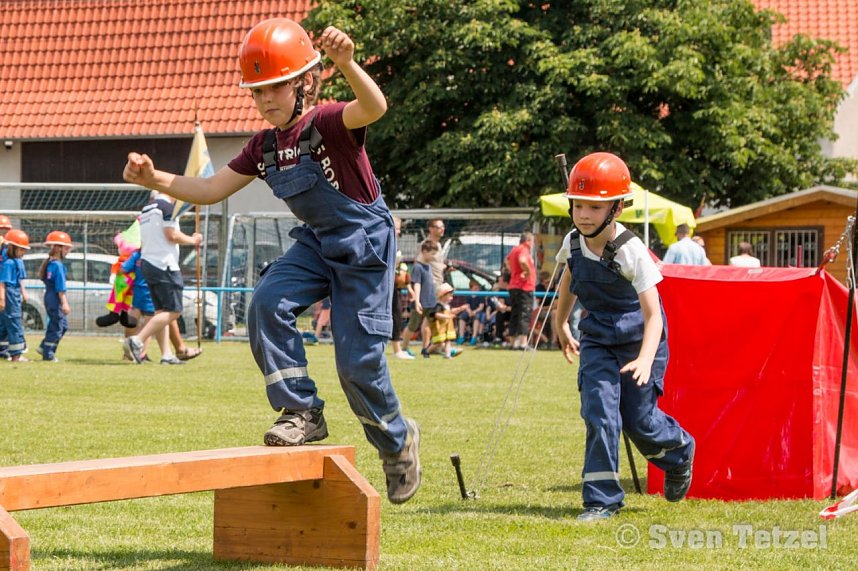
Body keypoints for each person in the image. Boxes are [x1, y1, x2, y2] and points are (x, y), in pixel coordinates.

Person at [122, 18, 420, 504]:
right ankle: (301, 412)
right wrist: (156, 178)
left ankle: (397, 442)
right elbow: (211, 189)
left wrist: (346, 62)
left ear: (306, 81)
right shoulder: (263, 146)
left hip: (364, 246)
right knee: (266, 301)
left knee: (356, 366)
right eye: (256, 92)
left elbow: (375, 106)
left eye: (276, 88)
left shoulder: (328, 123)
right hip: (318, 244)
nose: (265, 101)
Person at [553, 152, 695, 522]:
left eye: (594, 208)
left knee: (639, 422)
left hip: (639, 343)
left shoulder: (633, 251)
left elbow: (654, 317)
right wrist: (561, 322)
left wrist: (646, 358)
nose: (583, 214)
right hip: (598, 341)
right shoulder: (572, 241)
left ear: (615, 209)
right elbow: (569, 279)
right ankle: (602, 501)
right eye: (578, 206)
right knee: (599, 412)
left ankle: (680, 453)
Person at [122, 191, 202, 365]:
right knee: (174, 310)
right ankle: (137, 340)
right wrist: (193, 240)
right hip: (164, 264)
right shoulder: (167, 208)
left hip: (148, 263)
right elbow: (171, 235)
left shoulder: (146, 210)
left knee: (160, 312)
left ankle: (166, 354)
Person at [37, 231, 72, 362]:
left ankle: (43, 346)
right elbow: (60, 287)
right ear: (58, 248)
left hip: (49, 297)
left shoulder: (51, 264)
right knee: (57, 326)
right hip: (55, 298)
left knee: (62, 325)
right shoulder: (57, 265)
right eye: (66, 247)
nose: (68, 250)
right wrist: (64, 303)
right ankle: (48, 354)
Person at [403, 239, 438, 358]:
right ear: (424, 251)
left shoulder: (428, 266)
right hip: (421, 303)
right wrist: (417, 301)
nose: (434, 256)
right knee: (412, 326)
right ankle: (404, 348)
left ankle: (426, 348)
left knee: (429, 326)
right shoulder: (417, 267)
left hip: (430, 302)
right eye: (432, 253)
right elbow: (417, 284)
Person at [0, 229, 31, 362]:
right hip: (9, 295)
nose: (23, 252)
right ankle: (16, 355)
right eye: (21, 249)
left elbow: (19, 280)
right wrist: (2, 299)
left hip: (14, 293)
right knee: (14, 323)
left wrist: (23, 292)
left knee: (5, 325)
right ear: (12, 247)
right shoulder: (8, 264)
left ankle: (5, 351)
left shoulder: (16, 261)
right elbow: (2, 283)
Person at [505, 231, 536, 350]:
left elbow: (507, 261)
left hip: (513, 286)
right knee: (525, 314)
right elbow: (522, 260)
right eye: (532, 240)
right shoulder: (524, 249)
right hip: (524, 287)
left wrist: (513, 272)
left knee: (515, 314)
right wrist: (527, 272)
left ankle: (512, 343)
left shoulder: (514, 249)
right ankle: (523, 343)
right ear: (528, 241)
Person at [390, 216, 413, 359]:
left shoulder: (395, 244)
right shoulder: (381, 242)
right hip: (382, 286)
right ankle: (397, 350)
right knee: (393, 315)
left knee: (396, 314)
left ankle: (397, 349)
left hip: (393, 288)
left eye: (399, 228)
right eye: (396, 228)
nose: (398, 232)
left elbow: (398, 267)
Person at [428, 283, 466, 358]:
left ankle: (447, 355)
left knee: (448, 341)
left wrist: (460, 309)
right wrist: (447, 316)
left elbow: (451, 311)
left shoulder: (447, 305)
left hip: (447, 328)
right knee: (438, 342)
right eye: (450, 296)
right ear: (443, 296)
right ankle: (427, 351)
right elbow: (436, 315)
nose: (451, 298)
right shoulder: (439, 305)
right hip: (440, 328)